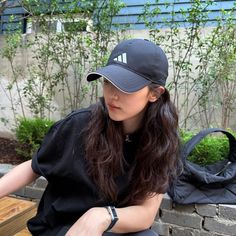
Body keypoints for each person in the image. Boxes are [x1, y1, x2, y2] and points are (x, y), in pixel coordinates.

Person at [0, 38, 180, 236]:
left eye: (125, 86)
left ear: (155, 93)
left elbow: (146, 214)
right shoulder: (81, 124)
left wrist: (102, 216)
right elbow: (35, 166)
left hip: (109, 226)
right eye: (108, 82)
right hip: (60, 226)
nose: (112, 94)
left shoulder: (162, 142)